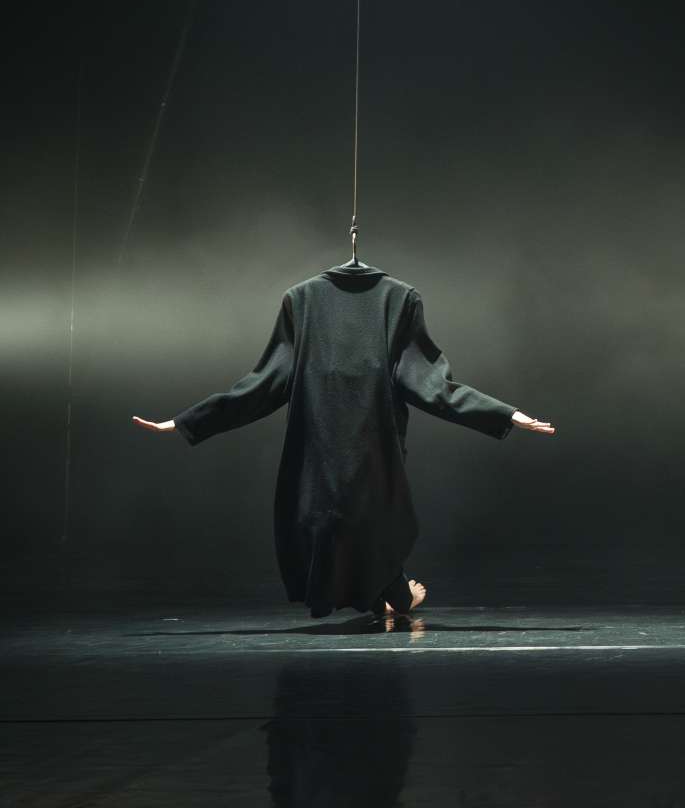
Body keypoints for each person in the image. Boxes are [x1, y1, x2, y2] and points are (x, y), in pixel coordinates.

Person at [133, 260, 555, 617]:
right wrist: (188, 421)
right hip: (345, 438)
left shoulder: (393, 299)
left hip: (352, 438)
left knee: (363, 513)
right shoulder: (308, 301)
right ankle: (393, 593)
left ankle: (391, 593)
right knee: (358, 513)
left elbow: (428, 383)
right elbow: (268, 383)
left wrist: (504, 413)